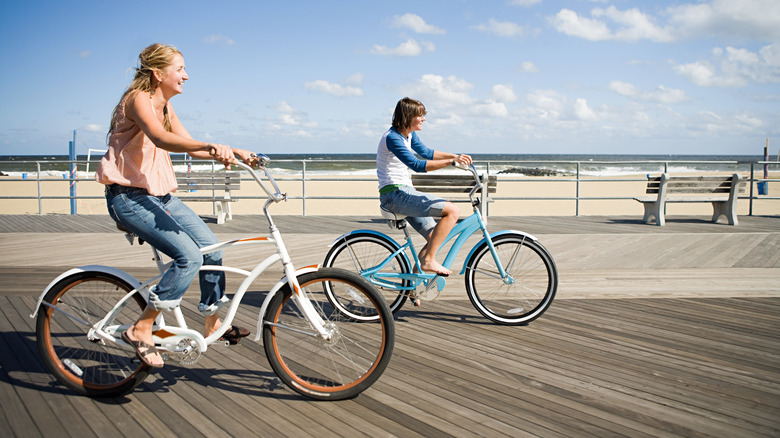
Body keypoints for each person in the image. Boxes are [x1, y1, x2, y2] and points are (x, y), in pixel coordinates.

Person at [96, 43, 258, 368]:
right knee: (190, 256)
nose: (186, 75)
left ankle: (211, 321)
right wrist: (210, 144)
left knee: (212, 249)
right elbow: (160, 138)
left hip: (161, 196)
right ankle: (142, 328)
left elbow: (191, 148)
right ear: (158, 73)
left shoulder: (166, 107)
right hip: (129, 197)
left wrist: (234, 151)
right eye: (180, 69)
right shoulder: (138, 99)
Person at [377, 97, 472, 303]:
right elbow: (417, 164)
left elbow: (427, 153)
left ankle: (411, 286)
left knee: (433, 238)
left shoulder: (407, 136)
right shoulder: (393, 138)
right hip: (395, 194)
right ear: (408, 116)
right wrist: (451, 162)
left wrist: (457, 156)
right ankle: (429, 261)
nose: (423, 119)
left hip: (403, 192)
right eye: (420, 115)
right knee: (452, 211)